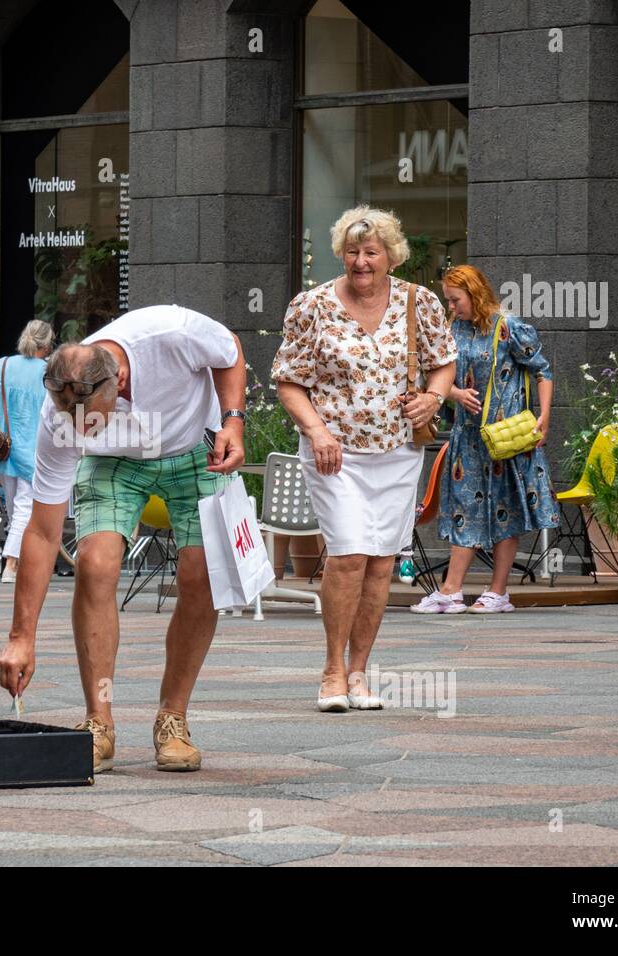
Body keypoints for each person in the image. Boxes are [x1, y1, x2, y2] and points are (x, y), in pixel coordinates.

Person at [0, 304, 246, 774]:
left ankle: (173, 717)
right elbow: (44, 531)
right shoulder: (62, 418)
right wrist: (20, 637)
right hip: (115, 465)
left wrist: (233, 421)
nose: (78, 430)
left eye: (92, 421)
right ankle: (99, 721)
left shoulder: (168, 333)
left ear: (122, 384)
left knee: (202, 576)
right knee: (95, 564)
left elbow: (229, 348)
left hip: (196, 445)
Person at [272, 205, 457, 713]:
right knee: (350, 553)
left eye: (371, 252)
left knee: (380, 563)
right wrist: (316, 431)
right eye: (352, 252)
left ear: (391, 256)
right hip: (335, 453)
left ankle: (359, 673)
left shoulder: (420, 303)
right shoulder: (312, 305)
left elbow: (443, 365)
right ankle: (332, 671)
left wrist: (433, 399)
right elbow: (288, 380)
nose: (360, 262)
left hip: (397, 451)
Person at [410, 264, 559, 614]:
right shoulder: (452, 329)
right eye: (447, 300)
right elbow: (434, 376)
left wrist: (545, 416)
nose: (451, 306)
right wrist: (455, 394)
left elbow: (543, 371)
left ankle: (497, 592)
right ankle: (451, 590)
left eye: (455, 299)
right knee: (465, 508)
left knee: (506, 509)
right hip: (468, 436)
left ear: (474, 294)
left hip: (505, 437)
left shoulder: (508, 327)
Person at [0, 319, 54, 583]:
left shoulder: (4, 365)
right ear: (46, 345)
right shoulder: (48, 372)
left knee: (15, 510)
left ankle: (19, 562)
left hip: (2, 449)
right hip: (34, 450)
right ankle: (11, 564)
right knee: (24, 509)